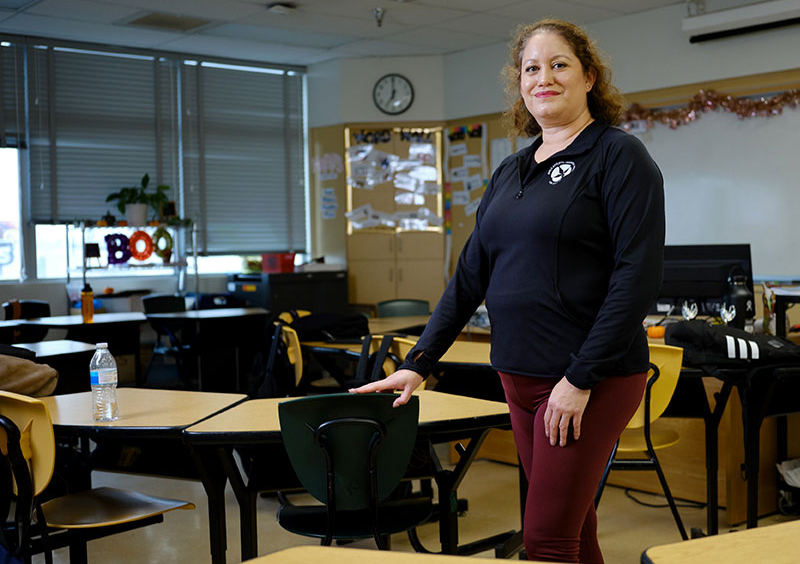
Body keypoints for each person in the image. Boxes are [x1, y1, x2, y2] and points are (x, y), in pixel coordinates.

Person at [351, 18, 665, 564]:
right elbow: (471, 275)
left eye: (559, 64)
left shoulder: (618, 157)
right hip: (517, 376)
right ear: (520, 84)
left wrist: (579, 377)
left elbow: (636, 278)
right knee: (573, 532)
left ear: (590, 77)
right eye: (531, 68)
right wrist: (420, 361)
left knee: (544, 541)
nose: (544, 77)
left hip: (586, 379)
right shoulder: (510, 171)